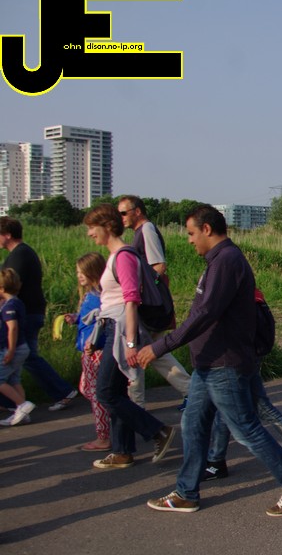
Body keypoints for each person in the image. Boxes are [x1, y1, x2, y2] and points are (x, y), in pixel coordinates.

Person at [139, 205, 282, 516]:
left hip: (224, 364)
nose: (189, 240)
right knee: (193, 424)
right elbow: (203, 312)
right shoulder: (217, 261)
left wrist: (161, 346)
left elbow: (206, 314)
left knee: (246, 429)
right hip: (208, 365)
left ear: (207, 229)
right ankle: (186, 493)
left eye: (191, 233)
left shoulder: (227, 261)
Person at [82, 204, 176, 469]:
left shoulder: (123, 257)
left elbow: (131, 301)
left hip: (121, 330)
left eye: (92, 227)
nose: (90, 233)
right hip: (115, 328)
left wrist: (131, 343)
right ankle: (122, 451)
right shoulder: (117, 256)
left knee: (105, 392)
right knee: (116, 391)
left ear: (107, 226)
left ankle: (158, 431)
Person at [117, 196, 190, 408]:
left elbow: (159, 265)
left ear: (137, 211)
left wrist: (140, 291)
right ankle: (192, 391)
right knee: (154, 352)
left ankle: (136, 406)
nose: (121, 217)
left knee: (143, 351)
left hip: (148, 304)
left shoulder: (147, 230)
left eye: (124, 213)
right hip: (148, 302)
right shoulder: (141, 232)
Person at [0, 217, 78, 411]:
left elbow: (9, 287)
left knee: (25, 356)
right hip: (29, 312)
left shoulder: (20, 254)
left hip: (25, 314)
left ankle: (60, 392)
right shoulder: (21, 253)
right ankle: (14, 403)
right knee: (23, 358)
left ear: (7, 235)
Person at [201, 373, 282, 481]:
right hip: (240, 363)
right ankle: (216, 460)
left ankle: (216, 461)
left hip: (231, 365)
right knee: (249, 406)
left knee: (238, 408)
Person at [63, 253, 110, 451]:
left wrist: (94, 342)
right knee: (87, 388)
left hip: (94, 350)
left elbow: (102, 322)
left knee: (97, 394)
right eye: (77, 272)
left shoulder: (97, 296)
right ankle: (111, 418)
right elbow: (89, 318)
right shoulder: (91, 295)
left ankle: (103, 435)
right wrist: (76, 318)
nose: (79, 276)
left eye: (82, 272)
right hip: (90, 350)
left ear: (93, 271)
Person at [0, 269, 34, 426]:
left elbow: (12, 328)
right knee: (14, 379)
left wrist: (11, 349)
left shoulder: (9, 306)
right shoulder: (16, 302)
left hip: (14, 349)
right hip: (21, 348)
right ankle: (22, 414)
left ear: (2, 289)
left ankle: (22, 405)